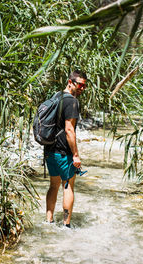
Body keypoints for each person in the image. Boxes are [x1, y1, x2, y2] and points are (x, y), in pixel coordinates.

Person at [45, 69, 87, 228]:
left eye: (85, 86)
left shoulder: (56, 96)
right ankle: (66, 225)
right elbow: (69, 130)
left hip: (49, 150)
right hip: (63, 152)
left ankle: (48, 221)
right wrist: (75, 155)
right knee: (68, 185)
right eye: (80, 85)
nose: (82, 89)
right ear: (70, 82)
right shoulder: (72, 102)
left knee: (53, 185)